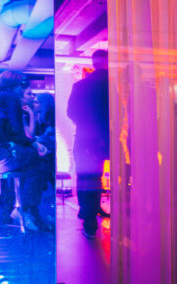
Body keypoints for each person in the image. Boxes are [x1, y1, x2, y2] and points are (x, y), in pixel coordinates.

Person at [0, 70, 48, 231]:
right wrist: (35, 145)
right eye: (23, 85)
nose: (24, 88)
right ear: (15, 85)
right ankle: (25, 210)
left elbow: (6, 134)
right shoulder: (10, 98)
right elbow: (19, 134)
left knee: (27, 162)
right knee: (39, 161)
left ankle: (15, 207)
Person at [67, 50, 110, 239]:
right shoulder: (112, 84)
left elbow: (71, 112)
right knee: (95, 177)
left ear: (93, 62)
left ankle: (87, 214)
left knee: (85, 175)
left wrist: (84, 126)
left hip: (83, 137)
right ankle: (90, 218)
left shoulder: (80, 85)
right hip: (102, 138)